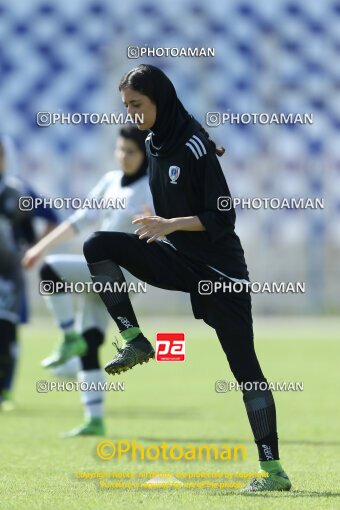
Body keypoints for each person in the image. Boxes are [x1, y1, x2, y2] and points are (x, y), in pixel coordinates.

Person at [81, 64, 291, 492]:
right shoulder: (156, 139)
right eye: (126, 106)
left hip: (221, 274)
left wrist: (171, 222)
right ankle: (136, 340)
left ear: (160, 98)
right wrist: (164, 225)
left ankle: (273, 471)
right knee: (97, 245)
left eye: (138, 104)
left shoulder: (193, 146)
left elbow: (224, 215)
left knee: (245, 369)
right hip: (178, 259)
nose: (132, 114)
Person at [23, 125, 153, 436]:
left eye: (131, 151)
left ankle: (67, 336)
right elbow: (80, 218)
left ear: (144, 155)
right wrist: (39, 248)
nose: (124, 156)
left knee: (52, 271)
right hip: (100, 274)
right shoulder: (110, 180)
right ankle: (94, 419)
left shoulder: (150, 187)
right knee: (92, 342)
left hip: (126, 275)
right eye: (120, 149)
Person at [0, 134, 58, 411]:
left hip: (8, 275)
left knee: (6, 330)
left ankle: (5, 391)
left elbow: (50, 219)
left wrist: (33, 250)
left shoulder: (17, 191)